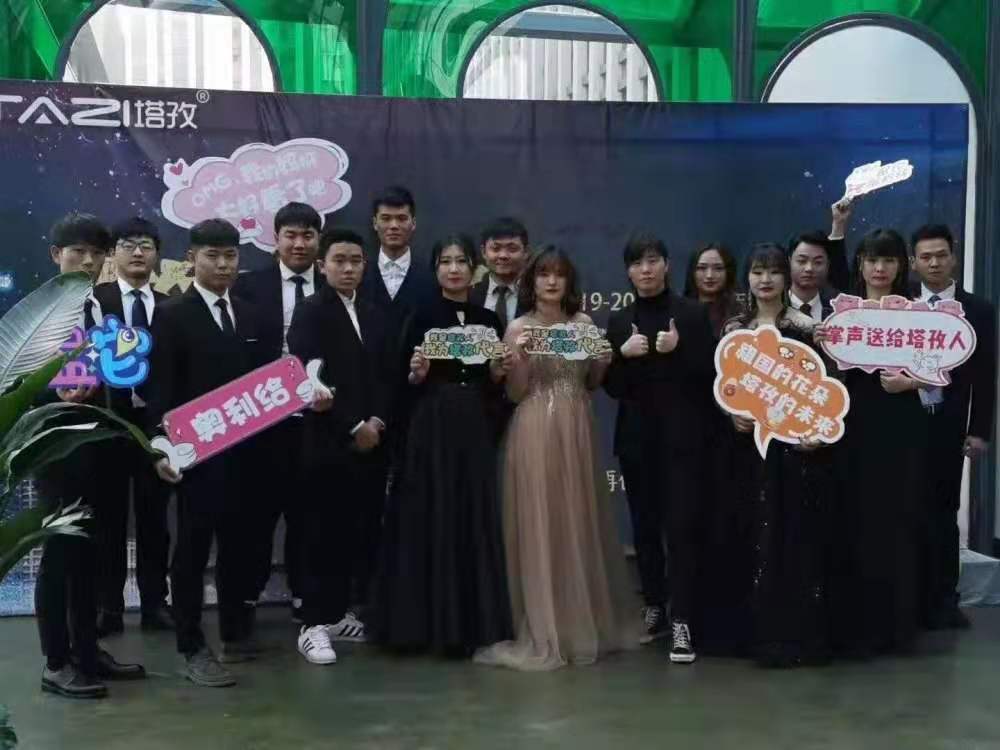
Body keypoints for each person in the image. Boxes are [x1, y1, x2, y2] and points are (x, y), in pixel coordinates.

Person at [474, 247, 637, 671]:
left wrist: (602, 361)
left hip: (577, 426)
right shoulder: (518, 328)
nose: (551, 282)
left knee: (577, 522)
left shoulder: (583, 324)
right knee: (541, 525)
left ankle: (580, 625)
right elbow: (515, 393)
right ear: (532, 281)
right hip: (534, 427)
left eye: (559, 275)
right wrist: (520, 359)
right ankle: (545, 629)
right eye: (543, 274)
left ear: (568, 282)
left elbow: (593, 383)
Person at [374, 234, 514, 655]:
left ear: (475, 269)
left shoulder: (489, 321)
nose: (454, 269)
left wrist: (497, 373)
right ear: (435, 270)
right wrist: (416, 375)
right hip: (431, 428)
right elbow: (401, 382)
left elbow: (495, 386)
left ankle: (475, 624)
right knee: (429, 514)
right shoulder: (420, 315)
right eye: (445, 262)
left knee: (472, 515)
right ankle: (424, 627)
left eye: (461, 261)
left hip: (475, 426)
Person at [147, 219, 268, 687]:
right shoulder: (172, 315)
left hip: (248, 453)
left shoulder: (251, 313)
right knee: (193, 552)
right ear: (191, 258)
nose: (222, 265)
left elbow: (265, 385)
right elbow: (160, 391)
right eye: (212, 256)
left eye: (230, 256)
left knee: (241, 546)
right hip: (195, 454)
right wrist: (161, 449)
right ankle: (191, 645)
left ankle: (235, 634)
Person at [34, 213, 145, 699]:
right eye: (77, 252)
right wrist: (55, 395)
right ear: (56, 255)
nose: (87, 261)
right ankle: (56, 662)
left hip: (99, 448)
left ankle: (85, 650)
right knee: (60, 555)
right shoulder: (37, 315)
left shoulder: (101, 308)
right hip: (57, 452)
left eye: (96, 254)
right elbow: (14, 386)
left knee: (92, 555)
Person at [723, 243, 838, 667]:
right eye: (757, 272)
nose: (765, 279)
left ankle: (800, 637)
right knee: (755, 536)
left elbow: (827, 389)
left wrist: (818, 434)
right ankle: (757, 636)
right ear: (748, 279)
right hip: (750, 452)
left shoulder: (808, 328)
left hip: (798, 453)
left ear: (786, 278)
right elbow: (724, 385)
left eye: (773, 271)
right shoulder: (736, 328)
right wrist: (731, 414)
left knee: (796, 537)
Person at [604, 234, 716, 661]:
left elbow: (709, 377)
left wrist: (678, 351)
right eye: (637, 263)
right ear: (629, 271)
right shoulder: (619, 320)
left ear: (667, 265)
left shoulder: (691, 313)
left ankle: (683, 617)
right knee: (645, 527)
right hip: (637, 441)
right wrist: (622, 355)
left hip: (683, 442)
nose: (645, 270)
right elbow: (613, 388)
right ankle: (655, 604)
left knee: (682, 529)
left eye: (653, 261)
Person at [287, 228, 393, 665]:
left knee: (357, 533)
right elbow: (308, 377)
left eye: (355, 261)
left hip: (372, 444)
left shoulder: (373, 312)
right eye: (339, 260)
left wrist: (377, 421)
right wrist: (353, 426)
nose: (348, 269)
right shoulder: (310, 312)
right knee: (320, 536)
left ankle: (336, 615)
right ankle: (312, 625)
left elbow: (386, 375)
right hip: (326, 444)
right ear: (322, 265)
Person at [834, 228, 927, 657]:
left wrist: (913, 383)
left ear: (901, 266)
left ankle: (898, 627)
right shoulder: (843, 312)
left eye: (889, 260)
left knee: (898, 523)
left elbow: (943, 372)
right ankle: (859, 627)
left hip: (900, 427)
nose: (880, 268)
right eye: (872, 259)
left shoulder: (918, 314)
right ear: (860, 264)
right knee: (855, 522)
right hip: (853, 427)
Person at [233, 202, 322, 624]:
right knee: (257, 513)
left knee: (309, 513)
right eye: (291, 235)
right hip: (263, 419)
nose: (299, 243)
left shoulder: (334, 285)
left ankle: (305, 595)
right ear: (277, 239)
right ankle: (246, 596)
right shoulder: (248, 286)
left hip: (318, 419)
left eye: (307, 235)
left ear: (319, 240)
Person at [910, 224, 996, 630]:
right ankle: (907, 601)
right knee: (904, 509)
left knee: (944, 512)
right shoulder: (897, 304)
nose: (934, 263)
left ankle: (944, 600)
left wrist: (980, 430)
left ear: (954, 257)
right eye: (925, 256)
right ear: (913, 262)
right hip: (902, 423)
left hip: (949, 424)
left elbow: (986, 376)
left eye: (941, 255)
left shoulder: (978, 309)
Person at [92, 217, 173, 637]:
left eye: (146, 245)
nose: (138, 252)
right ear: (113, 254)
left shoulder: (172, 305)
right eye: (128, 245)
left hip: (156, 425)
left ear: (157, 254)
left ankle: (155, 603)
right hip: (108, 423)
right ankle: (108, 607)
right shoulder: (94, 301)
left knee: (154, 518)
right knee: (108, 518)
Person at [786, 199, 855, 322]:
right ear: (789, 261)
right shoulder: (774, 307)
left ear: (828, 264)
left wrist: (838, 224)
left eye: (818, 262)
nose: (809, 268)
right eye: (802, 261)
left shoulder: (841, 311)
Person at [470, 217, 531, 332]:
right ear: (483, 252)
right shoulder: (468, 295)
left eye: (512, 249)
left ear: (526, 252)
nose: (503, 255)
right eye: (495, 248)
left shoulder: (537, 295)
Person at [683, 242, 741, 338]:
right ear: (692, 272)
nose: (709, 275)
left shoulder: (740, 314)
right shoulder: (680, 310)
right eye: (702, 268)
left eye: (718, 268)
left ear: (728, 272)